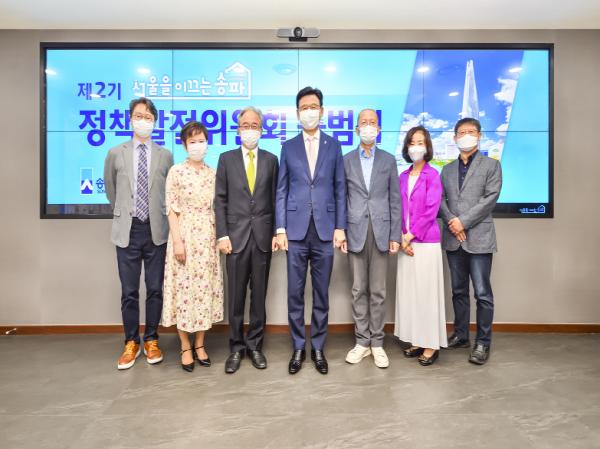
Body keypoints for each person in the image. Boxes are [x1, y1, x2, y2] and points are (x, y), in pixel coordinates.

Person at [276, 86, 347, 375]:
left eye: (313, 107)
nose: (309, 112)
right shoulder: (288, 146)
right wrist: (280, 228)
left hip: (325, 230)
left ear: (322, 111)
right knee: (294, 293)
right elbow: (281, 190)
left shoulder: (334, 145)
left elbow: (340, 189)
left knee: (321, 293)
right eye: (304, 107)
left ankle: (317, 346)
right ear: (297, 113)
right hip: (294, 231)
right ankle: (297, 346)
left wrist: (340, 226)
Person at [104, 97, 173, 370]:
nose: (143, 121)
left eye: (148, 117)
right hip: (128, 230)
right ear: (130, 119)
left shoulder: (165, 155)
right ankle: (131, 342)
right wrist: (125, 213)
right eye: (138, 116)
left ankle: (152, 340)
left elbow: (168, 192)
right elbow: (111, 190)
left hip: (156, 230)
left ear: (154, 121)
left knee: (155, 289)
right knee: (129, 291)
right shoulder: (115, 153)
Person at [214, 106, 279, 374]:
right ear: (238, 129)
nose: (250, 130)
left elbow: (276, 199)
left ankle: (255, 346)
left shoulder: (271, 160)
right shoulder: (226, 159)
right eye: (245, 125)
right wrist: (222, 234)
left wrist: (276, 232)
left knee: (259, 296)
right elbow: (220, 200)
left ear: (261, 130)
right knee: (236, 297)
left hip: (263, 238)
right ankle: (236, 348)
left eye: (254, 126)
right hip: (235, 238)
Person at [161, 120, 224, 372]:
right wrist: (177, 241)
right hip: (184, 236)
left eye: (201, 141)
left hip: (207, 238)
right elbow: (171, 209)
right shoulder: (176, 172)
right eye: (192, 141)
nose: (198, 145)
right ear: (184, 144)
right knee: (184, 291)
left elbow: (218, 207)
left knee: (203, 290)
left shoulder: (213, 173)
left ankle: (200, 343)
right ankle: (185, 345)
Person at [341, 108, 401, 368]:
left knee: (378, 291)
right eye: (363, 123)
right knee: (358, 290)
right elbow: (341, 198)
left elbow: (395, 199)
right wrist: (341, 230)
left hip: (381, 231)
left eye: (372, 122)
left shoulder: (388, 160)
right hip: (354, 230)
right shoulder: (346, 160)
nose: (368, 126)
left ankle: (377, 343)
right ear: (357, 129)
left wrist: (395, 234)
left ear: (378, 129)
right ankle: (362, 342)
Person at [439, 117, 502, 365]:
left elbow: (490, 199)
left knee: (483, 293)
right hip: (453, 238)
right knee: (458, 291)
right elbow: (440, 200)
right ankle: (461, 335)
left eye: (471, 131)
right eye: (462, 132)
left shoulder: (492, 165)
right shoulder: (446, 170)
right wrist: (452, 222)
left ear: (479, 135)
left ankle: (483, 342)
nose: (466, 136)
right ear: (455, 138)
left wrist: (462, 222)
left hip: (479, 237)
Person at [394, 126, 447, 366]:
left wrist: (410, 235)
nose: (416, 147)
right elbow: (397, 209)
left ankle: (431, 344)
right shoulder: (402, 176)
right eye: (412, 142)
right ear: (406, 147)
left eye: (420, 143)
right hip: (406, 243)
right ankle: (417, 339)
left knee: (426, 295)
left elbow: (431, 210)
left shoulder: (433, 175)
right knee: (411, 295)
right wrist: (402, 237)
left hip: (425, 242)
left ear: (427, 147)